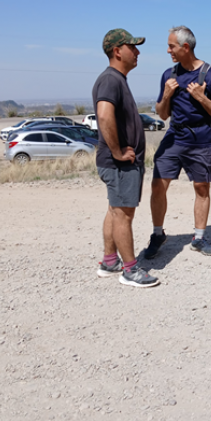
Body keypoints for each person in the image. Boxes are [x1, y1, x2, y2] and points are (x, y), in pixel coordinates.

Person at [139, 26, 211, 261]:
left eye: (171, 46)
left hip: (202, 140)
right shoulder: (168, 75)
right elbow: (161, 114)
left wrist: (202, 98)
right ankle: (158, 235)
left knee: (201, 188)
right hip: (174, 138)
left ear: (185, 47)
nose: (168, 50)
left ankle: (199, 238)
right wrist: (167, 95)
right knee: (158, 186)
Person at [92, 29, 159, 288]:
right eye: (133, 47)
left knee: (114, 209)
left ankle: (110, 261)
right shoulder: (110, 80)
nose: (138, 51)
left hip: (117, 163)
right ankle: (130, 270)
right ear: (117, 50)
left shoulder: (116, 79)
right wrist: (119, 151)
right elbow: (105, 115)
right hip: (119, 163)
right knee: (123, 214)